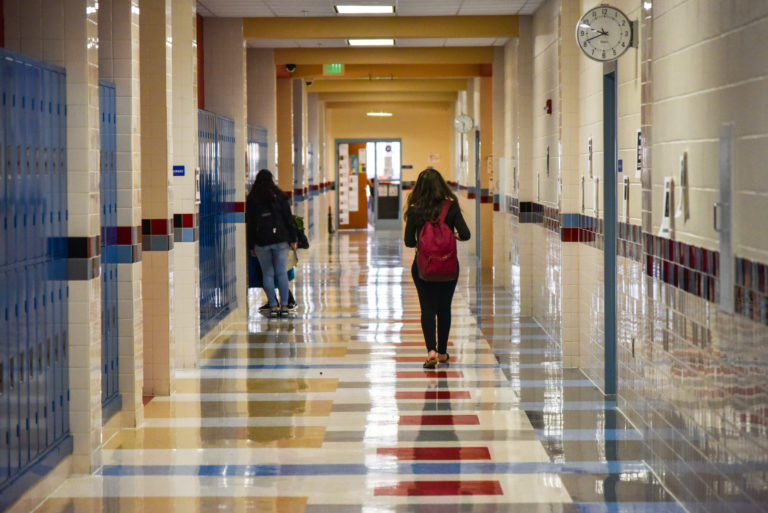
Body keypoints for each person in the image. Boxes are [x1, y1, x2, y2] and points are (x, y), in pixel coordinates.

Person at [404, 167, 471, 368]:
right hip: (449, 267)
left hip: (423, 267)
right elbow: (466, 234)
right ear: (441, 185)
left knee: (427, 308)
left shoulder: (416, 208)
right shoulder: (451, 206)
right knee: (444, 308)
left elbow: (408, 241)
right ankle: (442, 352)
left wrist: (424, 243)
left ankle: (430, 351)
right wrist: (451, 236)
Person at [246, 169, 298, 317]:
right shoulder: (279, 196)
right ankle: (285, 306)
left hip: (261, 242)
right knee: (281, 273)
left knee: (267, 274)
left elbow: (250, 225)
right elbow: (289, 219)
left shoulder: (252, 199)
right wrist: (293, 239)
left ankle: (273, 306)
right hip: (280, 240)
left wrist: (251, 246)